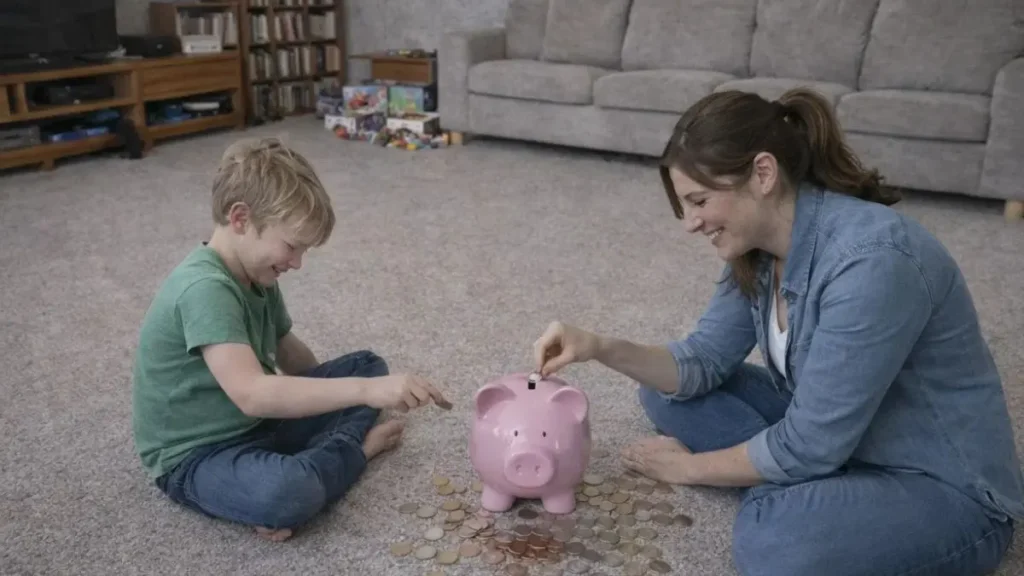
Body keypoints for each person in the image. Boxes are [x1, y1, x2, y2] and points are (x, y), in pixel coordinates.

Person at [532, 88, 1024, 576]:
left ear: (762, 174)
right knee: (664, 393)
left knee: (771, 543)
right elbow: (701, 361)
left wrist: (691, 468)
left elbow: (811, 444)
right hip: (840, 437)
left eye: (699, 200)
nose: (689, 223)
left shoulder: (875, 261)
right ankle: (804, 484)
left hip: (939, 486)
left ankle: (798, 490)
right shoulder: (756, 248)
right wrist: (595, 346)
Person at [131, 137, 449, 542]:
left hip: (257, 423)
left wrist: (356, 387)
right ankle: (355, 454)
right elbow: (252, 394)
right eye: (292, 246)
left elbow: (293, 357)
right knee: (287, 492)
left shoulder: (256, 272)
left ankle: (320, 458)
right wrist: (367, 393)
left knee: (368, 364)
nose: (297, 263)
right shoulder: (203, 288)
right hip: (197, 454)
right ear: (241, 219)